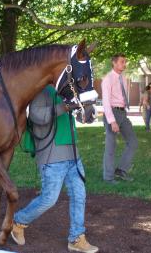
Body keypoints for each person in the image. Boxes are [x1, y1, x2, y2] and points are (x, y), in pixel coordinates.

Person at [12, 86, 99, 253]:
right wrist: (65, 107)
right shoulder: (41, 90)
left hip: (73, 154)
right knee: (49, 199)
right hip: (52, 156)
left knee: (79, 196)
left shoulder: (67, 89)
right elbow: (37, 116)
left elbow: (79, 118)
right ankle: (18, 222)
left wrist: (87, 109)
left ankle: (76, 238)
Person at [101, 53, 138, 185]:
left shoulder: (123, 78)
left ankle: (121, 170)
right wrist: (112, 121)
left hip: (123, 114)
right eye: (122, 62)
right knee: (111, 146)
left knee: (133, 142)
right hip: (112, 113)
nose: (124, 64)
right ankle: (108, 177)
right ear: (114, 63)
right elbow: (105, 102)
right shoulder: (108, 79)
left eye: (125, 61)